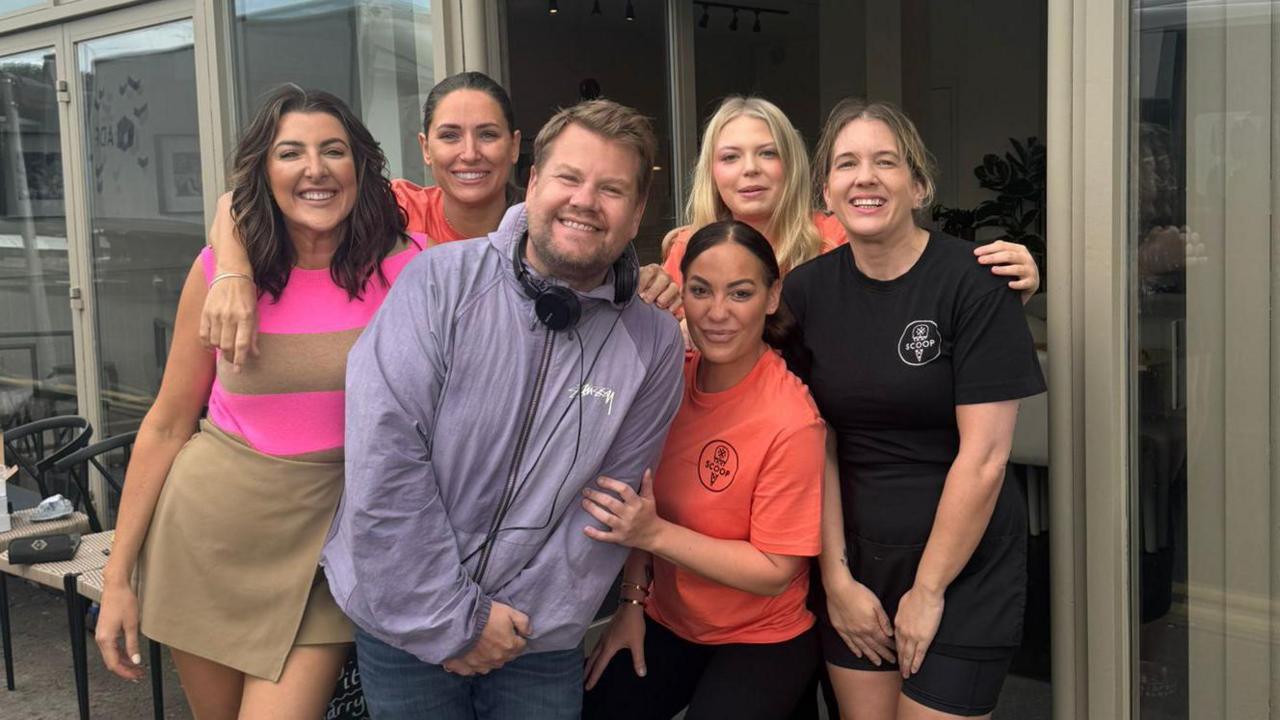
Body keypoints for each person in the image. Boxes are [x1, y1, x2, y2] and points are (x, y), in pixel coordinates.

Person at [321, 99, 686, 719]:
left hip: (534, 636)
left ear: (637, 213)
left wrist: (505, 626)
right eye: (569, 177)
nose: (585, 200)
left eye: (612, 188)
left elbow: (605, 509)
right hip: (404, 619)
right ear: (536, 181)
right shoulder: (437, 282)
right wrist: (455, 620)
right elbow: (385, 463)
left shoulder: (653, 343)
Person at [94, 86, 418, 718]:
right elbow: (165, 424)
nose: (315, 170)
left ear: (361, 167)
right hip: (209, 534)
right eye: (290, 153)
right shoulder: (217, 271)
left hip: (330, 543)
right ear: (265, 173)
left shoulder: (407, 270)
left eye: (334, 151)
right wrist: (116, 579)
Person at [784, 98, 1046, 720]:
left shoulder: (976, 282)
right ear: (827, 190)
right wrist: (837, 579)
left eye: (886, 162)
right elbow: (809, 443)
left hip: (964, 568)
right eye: (847, 164)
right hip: (858, 563)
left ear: (919, 184)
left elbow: (984, 458)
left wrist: (929, 590)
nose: (865, 177)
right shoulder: (805, 292)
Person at [201, 72, 679, 366]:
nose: (469, 153)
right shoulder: (396, 212)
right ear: (425, 149)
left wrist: (645, 279)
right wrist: (231, 273)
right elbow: (243, 201)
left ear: (514, 147)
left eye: (488, 135)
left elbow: (603, 261)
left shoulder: (553, 229)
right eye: (450, 136)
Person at [579, 220, 826, 720]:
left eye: (740, 293)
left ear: (772, 296)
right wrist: (630, 606)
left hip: (763, 636)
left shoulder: (793, 419)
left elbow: (775, 572)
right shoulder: (667, 382)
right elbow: (640, 499)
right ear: (681, 293)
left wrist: (654, 533)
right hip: (668, 619)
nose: (717, 313)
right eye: (700, 290)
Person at [659, 96, 1041, 298]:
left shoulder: (837, 235)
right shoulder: (686, 247)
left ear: (791, 165)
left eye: (767, 152)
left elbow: (919, 286)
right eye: (730, 157)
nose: (750, 169)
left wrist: (1012, 280)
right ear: (712, 171)